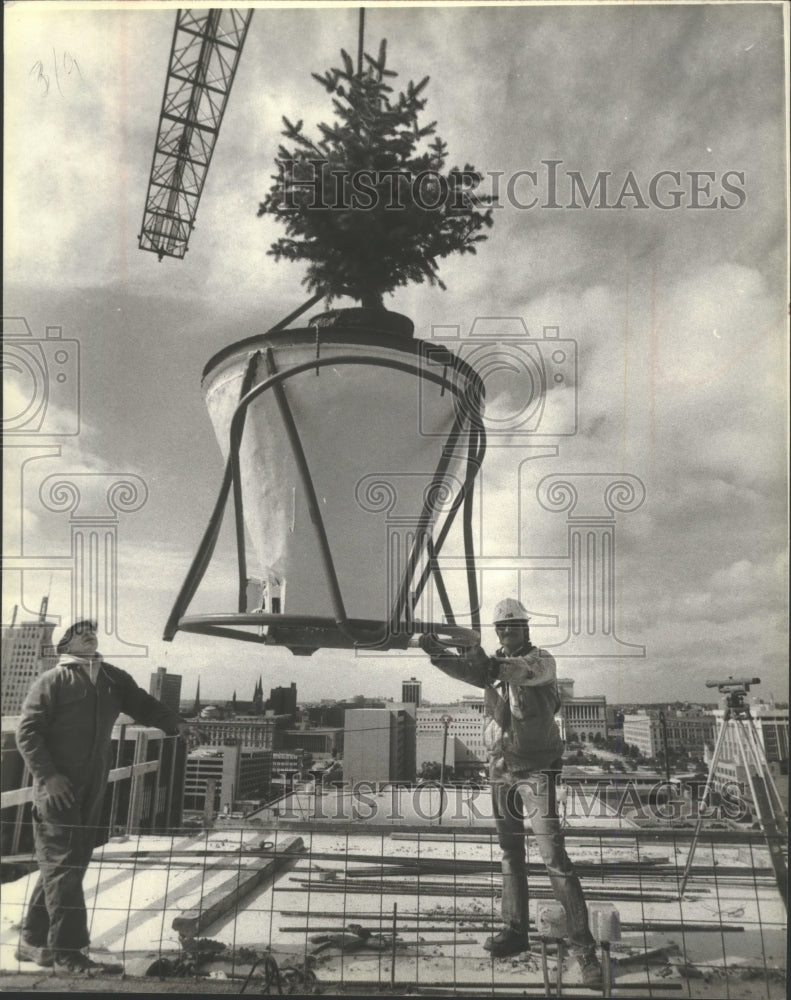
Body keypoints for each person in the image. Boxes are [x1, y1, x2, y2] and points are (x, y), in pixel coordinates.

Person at [419, 598, 601, 988]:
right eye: (501, 628)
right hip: (501, 768)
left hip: (536, 771)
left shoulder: (541, 663)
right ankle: (515, 931)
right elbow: (470, 672)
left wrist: (480, 661)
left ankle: (584, 949)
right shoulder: (493, 668)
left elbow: (517, 671)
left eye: (512, 627)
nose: (505, 632)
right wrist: (436, 653)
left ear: (525, 629)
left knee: (554, 859)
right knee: (510, 853)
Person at [15, 619, 199, 975]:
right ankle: (69, 954)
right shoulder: (53, 681)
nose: (89, 634)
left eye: (92, 630)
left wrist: (177, 724)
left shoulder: (113, 678)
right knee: (64, 865)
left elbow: (146, 706)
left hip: (92, 787)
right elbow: (27, 731)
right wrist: (49, 776)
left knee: (67, 865)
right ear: (65, 644)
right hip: (56, 790)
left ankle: (33, 939)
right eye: (79, 631)